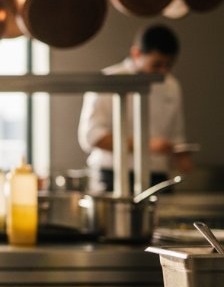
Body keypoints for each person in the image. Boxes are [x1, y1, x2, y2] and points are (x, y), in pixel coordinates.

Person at [78, 24, 193, 193]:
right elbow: (92, 136)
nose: (163, 71)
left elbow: (176, 135)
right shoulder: (108, 81)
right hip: (112, 176)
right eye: (157, 64)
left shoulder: (171, 85)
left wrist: (181, 156)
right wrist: (145, 145)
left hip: (158, 178)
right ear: (137, 53)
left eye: (168, 65)